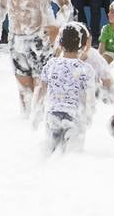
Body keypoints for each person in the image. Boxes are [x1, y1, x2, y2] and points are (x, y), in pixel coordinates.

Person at [0, 0, 66, 115]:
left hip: (40, 39)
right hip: (15, 39)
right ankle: (26, 127)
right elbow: (1, 6)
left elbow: (66, 5)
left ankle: (43, 124)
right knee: (23, 88)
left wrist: (57, 25)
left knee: (41, 86)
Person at [35, 23, 98, 153]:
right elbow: (90, 97)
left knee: (50, 149)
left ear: (61, 44)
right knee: (72, 155)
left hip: (53, 114)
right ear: (83, 45)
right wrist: (89, 116)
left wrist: (37, 110)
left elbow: (41, 90)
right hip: (74, 116)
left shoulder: (51, 64)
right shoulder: (86, 69)